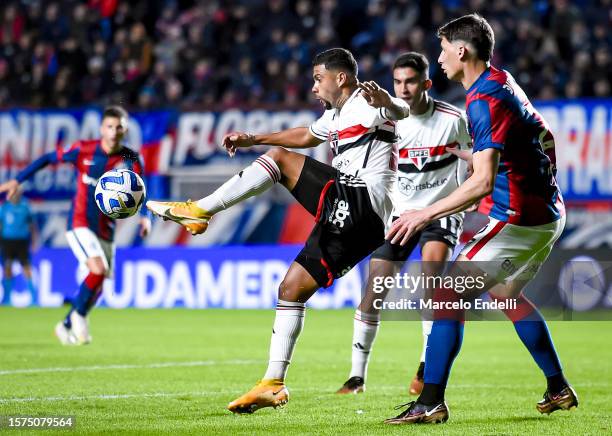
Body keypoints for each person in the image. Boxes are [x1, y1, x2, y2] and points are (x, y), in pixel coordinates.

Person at [146, 48, 410, 414]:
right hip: (361, 224)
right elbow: (306, 135)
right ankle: (273, 383)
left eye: (319, 78)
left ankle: (200, 210)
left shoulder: (368, 101)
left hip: (365, 200)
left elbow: (401, 113)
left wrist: (388, 102)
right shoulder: (336, 115)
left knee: (280, 161)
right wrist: (255, 139)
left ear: (341, 78)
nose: (314, 86)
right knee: (291, 288)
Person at [383, 14, 576, 424]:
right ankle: (557, 387)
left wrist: (424, 213)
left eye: (442, 50)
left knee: (444, 296)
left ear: (461, 50)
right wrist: (479, 158)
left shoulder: (482, 99)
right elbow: (533, 141)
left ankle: (430, 401)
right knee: (505, 293)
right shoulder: (500, 80)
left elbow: (483, 183)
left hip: (519, 218)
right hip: (549, 212)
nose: (438, 59)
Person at [335, 52, 471, 396]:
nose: (403, 88)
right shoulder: (390, 119)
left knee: (431, 285)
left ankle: (427, 367)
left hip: (438, 215)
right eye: (398, 82)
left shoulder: (454, 120)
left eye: (410, 81)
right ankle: (356, 377)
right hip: (398, 215)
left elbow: (473, 164)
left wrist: (455, 204)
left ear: (425, 83)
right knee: (374, 291)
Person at [0, 106, 151, 345]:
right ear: (102, 128)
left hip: (106, 229)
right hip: (79, 222)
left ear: (126, 129)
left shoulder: (131, 157)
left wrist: (145, 216)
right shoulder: (84, 149)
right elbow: (48, 158)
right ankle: (79, 316)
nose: (114, 132)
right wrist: (18, 180)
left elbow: (141, 188)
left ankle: (66, 324)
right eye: (109, 126)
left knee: (98, 284)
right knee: (98, 270)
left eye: (119, 127)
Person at [0, 189, 37, 305]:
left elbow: (32, 226)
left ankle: (33, 298)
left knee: (26, 268)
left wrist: (34, 242)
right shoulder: (4, 207)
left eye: (17, 192)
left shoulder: (25, 206)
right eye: (13, 193)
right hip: (7, 241)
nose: (15, 194)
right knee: (7, 268)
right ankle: (7, 299)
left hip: (22, 241)